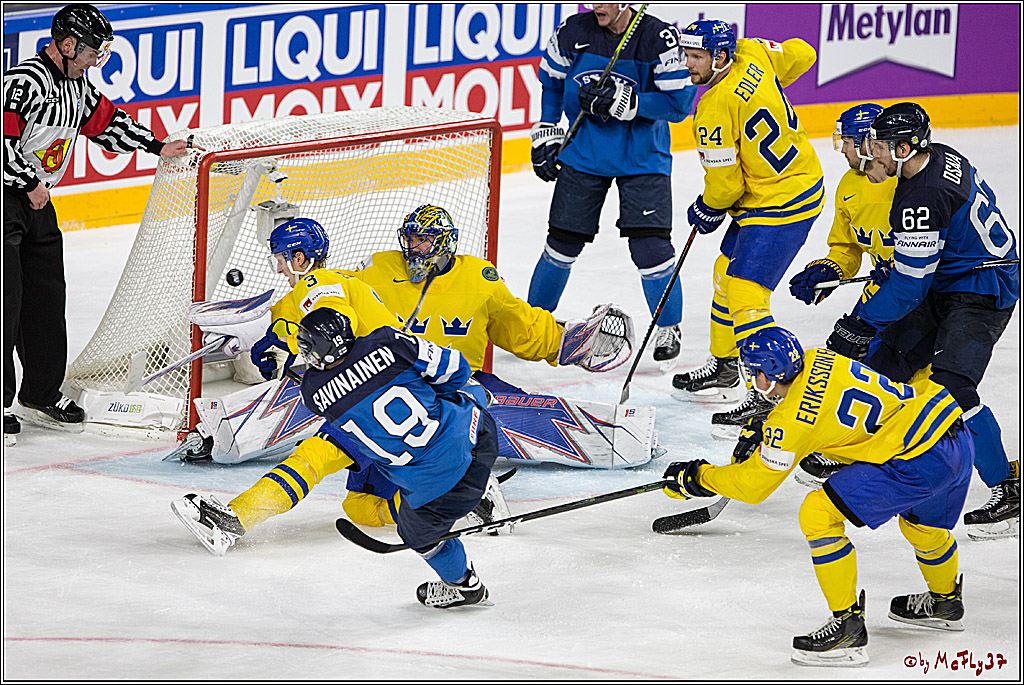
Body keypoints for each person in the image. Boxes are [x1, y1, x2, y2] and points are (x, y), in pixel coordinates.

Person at [662, 326, 973, 666]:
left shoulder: (790, 423)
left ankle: (847, 627)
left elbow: (754, 486)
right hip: (952, 433)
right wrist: (768, 428)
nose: (752, 380)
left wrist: (698, 478)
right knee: (922, 527)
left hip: (917, 459)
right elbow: (821, 409)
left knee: (817, 514)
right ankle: (945, 601)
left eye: (753, 373)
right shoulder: (818, 357)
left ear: (766, 375)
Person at [176, 307, 498, 608]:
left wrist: (289, 358)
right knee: (360, 507)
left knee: (314, 457)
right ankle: (475, 495)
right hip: (477, 436)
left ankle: (236, 519)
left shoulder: (314, 390)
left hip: (412, 464)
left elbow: (326, 375)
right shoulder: (385, 336)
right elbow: (456, 371)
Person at [825, 102, 1020, 540]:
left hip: (981, 288)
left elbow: (910, 287)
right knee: (882, 364)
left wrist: (861, 322)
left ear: (904, 149)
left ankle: (1009, 487)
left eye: (878, 146)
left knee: (952, 389)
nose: (871, 153)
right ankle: (862, 449)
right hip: (950, 279)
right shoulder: (938, 156)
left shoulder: (922, 198)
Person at [3, 3, 189, 445]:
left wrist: (157, 146)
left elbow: (109, 124)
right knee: (6, 301)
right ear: (67, 45)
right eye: (91, 51)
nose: (95, 60)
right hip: (11, 197)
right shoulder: (24, 82)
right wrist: (28, 182)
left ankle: (39, 393)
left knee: (47, 299)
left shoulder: (77, 87)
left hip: (36, 204)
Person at [671, 20, 824, 440]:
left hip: (780, 202)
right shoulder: (754, 51)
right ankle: (724, 367)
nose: (689, 64)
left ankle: (769, 393)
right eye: (687, 55)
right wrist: (766, 70)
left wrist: (707, 208)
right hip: (784, 186)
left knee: (745, 292)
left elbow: (726, 187)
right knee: (725, 273)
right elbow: (804, 53)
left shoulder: (712, 109)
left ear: (720, 56)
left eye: (697, 57)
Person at [527, 4, 697, 372]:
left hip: (643, 157)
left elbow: (680, 104)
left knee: (651, 247)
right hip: (584, 152)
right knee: (562, 242)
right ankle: (530, 322)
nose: (596, 6)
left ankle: (668, 328)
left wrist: (632, 103)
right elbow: (552, 83)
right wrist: (546, 128)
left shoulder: (659, 38)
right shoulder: (572, 31)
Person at [787, 103, 896, 484]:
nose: (842, 149)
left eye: (847, 141)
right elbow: (847, 247)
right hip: (883, 289)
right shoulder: (850, 186)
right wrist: (830, 269)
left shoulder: (908, 184)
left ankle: (888, 450)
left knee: (896, 369)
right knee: (842, 361)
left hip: (921, 291)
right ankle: (851, 445)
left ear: (869, 143)